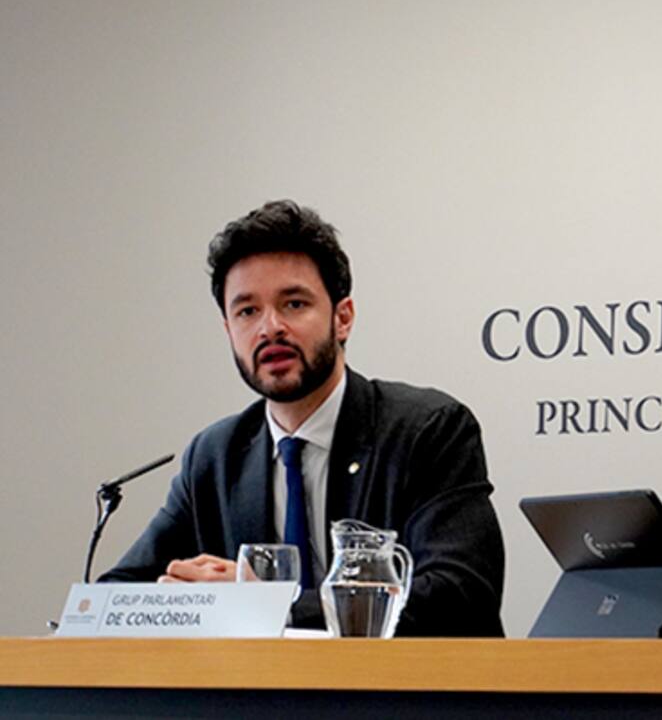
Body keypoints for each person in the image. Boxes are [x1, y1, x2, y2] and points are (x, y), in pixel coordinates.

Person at [101, 200, 505, 635]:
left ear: (342, 318)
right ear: (229, 330)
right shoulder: (215, 456)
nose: (270, 328)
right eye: (247, 311)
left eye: (293, 304)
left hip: (405, 681)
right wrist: (182, 602)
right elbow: (118, 594)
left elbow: (461, 595)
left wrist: (268, 605)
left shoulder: (428, 430)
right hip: (260, 684)